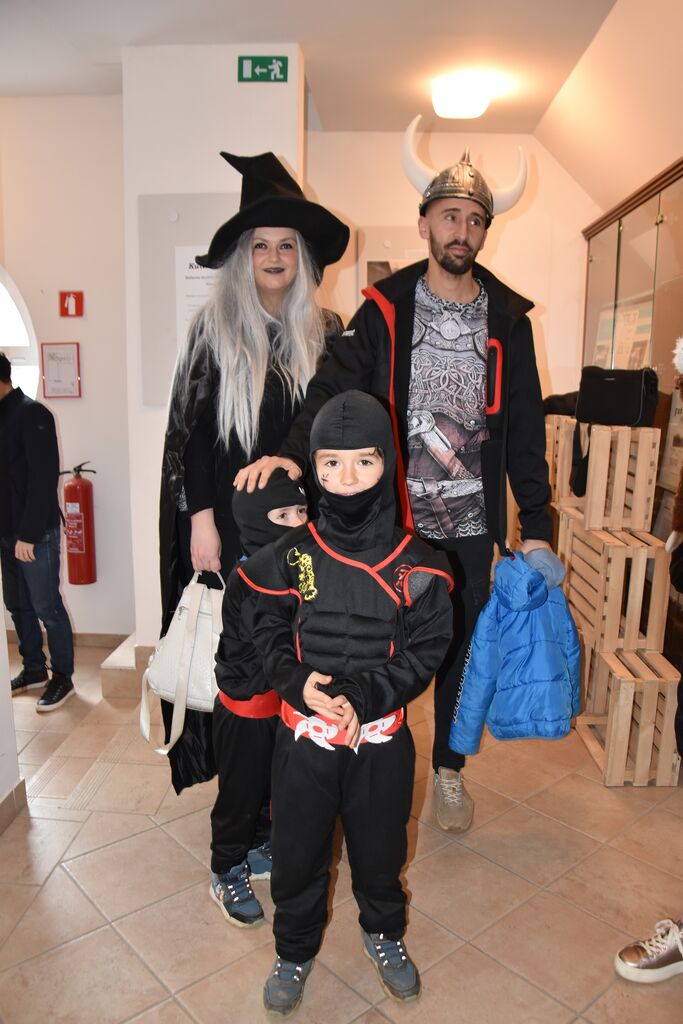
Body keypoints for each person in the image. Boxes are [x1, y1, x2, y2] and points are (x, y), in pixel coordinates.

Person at [235, 130, 554, 833]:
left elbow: (526, 429)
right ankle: (374, 754)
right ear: (423, 223)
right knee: (382, 643)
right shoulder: (384, 308)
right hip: (394, 523)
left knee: (458, 649)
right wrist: (291, 455)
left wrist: (536, 525)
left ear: (485, 232)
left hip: (470, 527)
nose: (461, 230)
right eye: (448, 216)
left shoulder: (508, 321)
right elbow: (330, 388)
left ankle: (447, 768)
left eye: (474, 220)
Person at [240, 391, 454, 1015]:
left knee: (381, 850)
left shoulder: (416, 565)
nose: (347, 477)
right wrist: (292, 680)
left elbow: (427, 649)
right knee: (298, 852)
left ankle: (384, 932)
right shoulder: (292, 555)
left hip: (379, 743)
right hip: (303, 742)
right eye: (330, 463)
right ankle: (293, 948)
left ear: (387, 461)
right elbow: (268, 629)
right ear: (313, 467)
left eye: (364, 460)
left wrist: (365, 693)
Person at [158, 151, 349, 792]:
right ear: (244, 256)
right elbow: (192, 440)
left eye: (286, 245)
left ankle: (289, 794)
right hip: (235, 532)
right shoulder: (211, 331)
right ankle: (244, 803)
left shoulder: (326, 332)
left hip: (303, 531)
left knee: (300, 650)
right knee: (241, 659)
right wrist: (201, 522)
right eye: (261, 245)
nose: (273, 256)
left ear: (302, 257)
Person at [210, 468, 308, 928]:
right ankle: (227, 866)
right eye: (283, 515)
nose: (297, 523)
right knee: (240, 793)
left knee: (271, 785)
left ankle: (259, 843)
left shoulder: (295, 565)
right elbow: (279, 646)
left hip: (278, 706)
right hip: (245, 712)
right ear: (253, 520)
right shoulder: (251, 577)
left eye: (302, 511)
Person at [0, 352, 75, 711]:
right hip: (6, 533)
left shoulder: (32, 414)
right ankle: (33, 669)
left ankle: (63, 677)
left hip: (34, 534)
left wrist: (28, 535)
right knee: (17, 605)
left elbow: (44, 479)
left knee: (47, 607)